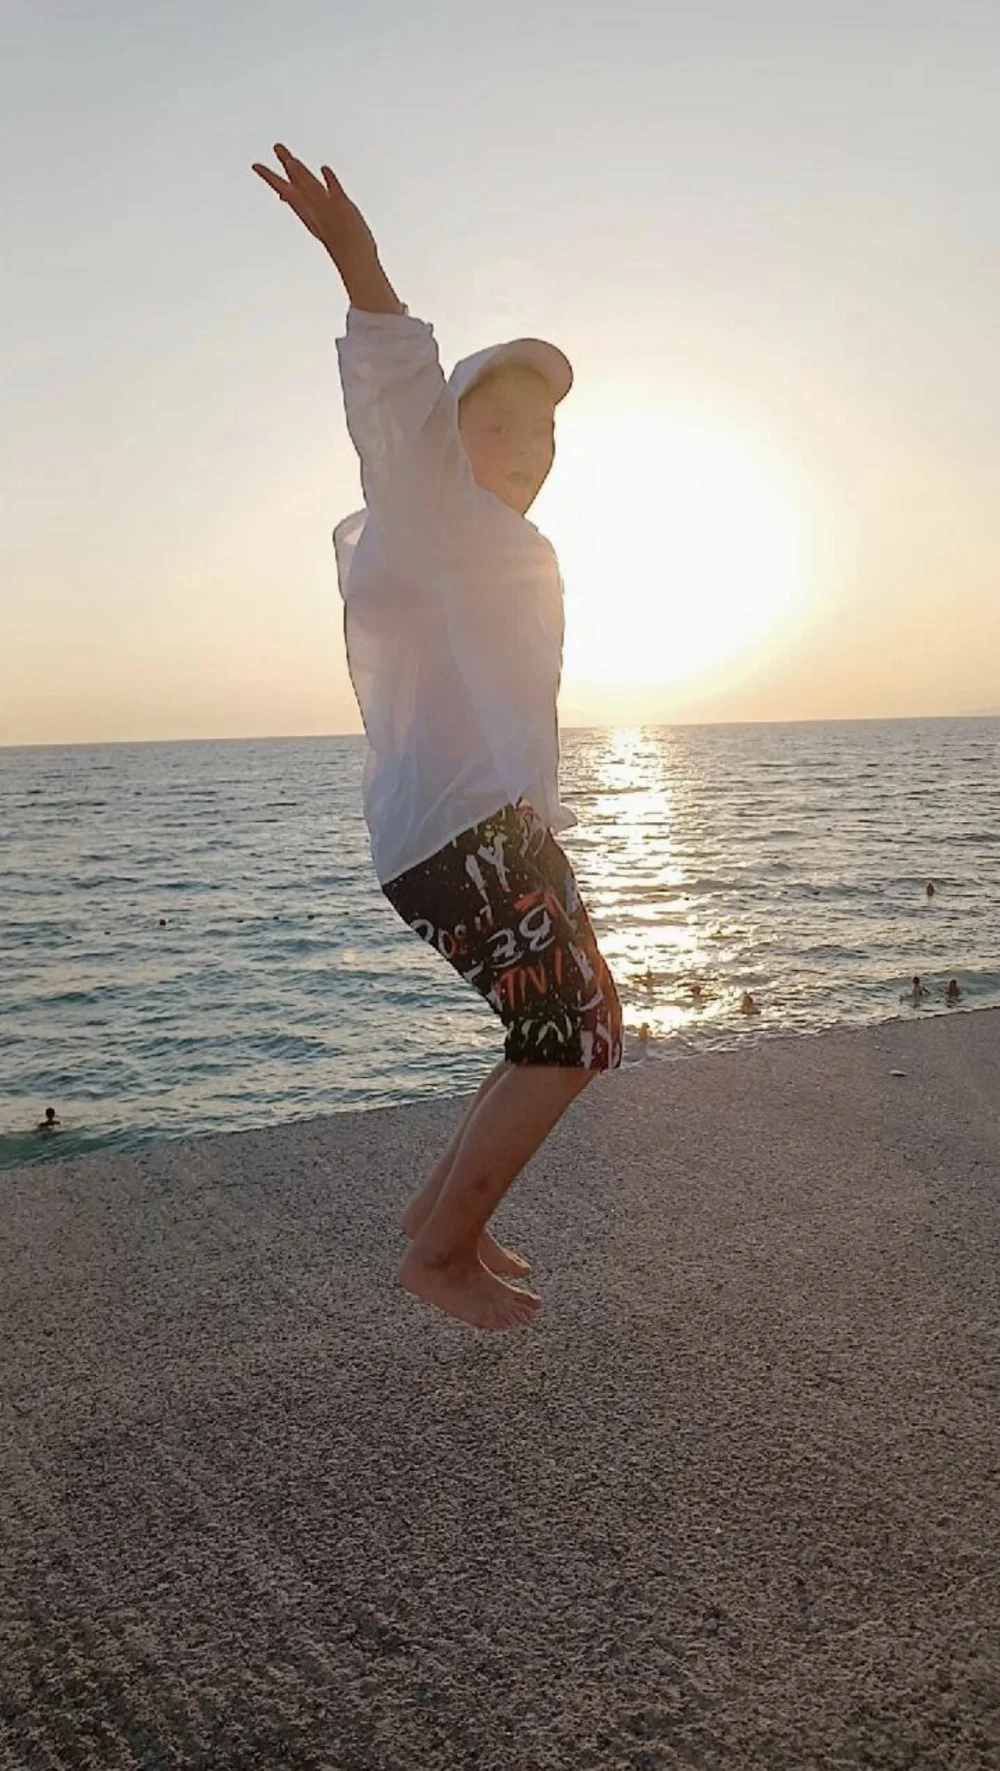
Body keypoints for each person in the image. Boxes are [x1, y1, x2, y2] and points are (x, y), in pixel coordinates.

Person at [253, 145, 623, 1333]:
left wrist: (544, 829)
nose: (527, 443)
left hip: (493, 824)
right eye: (497, 421)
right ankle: (442, 1253)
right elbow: (399, 394)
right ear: (446, 442)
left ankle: (440, 1219)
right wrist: (358, 261)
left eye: (542, 429)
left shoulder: (510, 546)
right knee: (571, 1035)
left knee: (554, 1026)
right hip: (462, 832)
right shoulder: (431, 509)